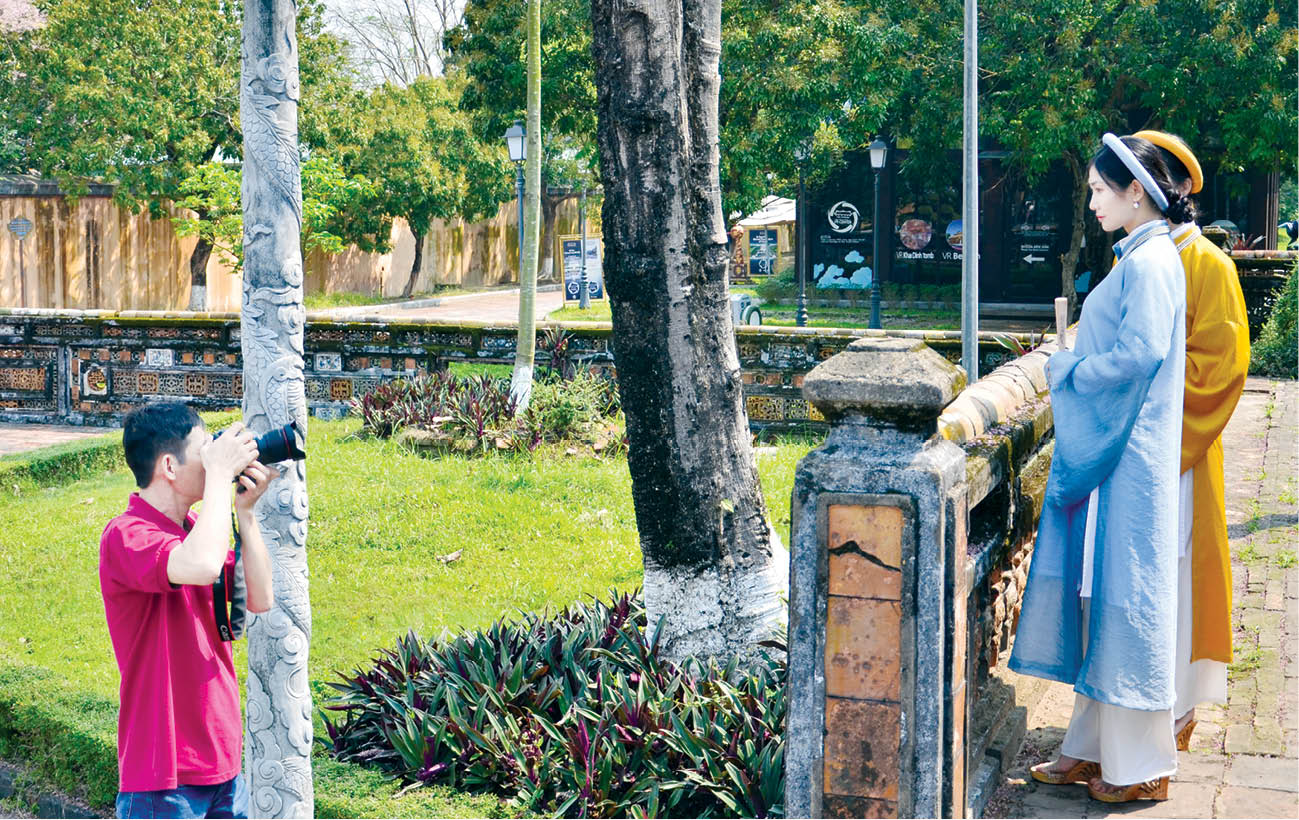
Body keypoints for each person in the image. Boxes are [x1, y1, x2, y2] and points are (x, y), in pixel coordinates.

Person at [1009, 133, 1191, 803]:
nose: (1089, 202)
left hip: (1128, 456)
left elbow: (1135, 357)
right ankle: (1090, 748)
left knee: (1124, 601)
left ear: (1134, 192)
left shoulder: (1146, 264)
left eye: (1096, 189)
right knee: (1104, 598)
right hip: (1127, 452)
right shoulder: (1147, 255)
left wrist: (1065, 369)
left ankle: (1140, 765)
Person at [1132, 129, 1249, 753]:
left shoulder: (1207, 263)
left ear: (1168, 187)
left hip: (1180, 449)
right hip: (1137, 448)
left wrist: (1154, 430)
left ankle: (1173, 713)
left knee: (1174, 578)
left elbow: (1222, 368)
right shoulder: (1140, 255)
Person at [100, 403, 275, 819]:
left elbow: (261, 597)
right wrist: (218, 477)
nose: (215, 460)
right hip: (164, 776)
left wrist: (246, 515)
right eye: (205, 451)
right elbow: (200, 566)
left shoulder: (199, 530)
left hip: (223, 764)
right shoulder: (126, 535)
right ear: (169, 466)